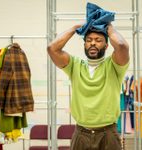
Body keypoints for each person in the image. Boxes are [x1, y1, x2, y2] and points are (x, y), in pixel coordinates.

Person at [47, 21, 129, 149]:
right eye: (89, 40)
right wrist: (75, 28)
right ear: (84, 44)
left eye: (98, 40)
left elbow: (121, 46)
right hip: (81, 133)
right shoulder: (75, 65)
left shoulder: (114, 65)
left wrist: (109, 28)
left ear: (106, 46)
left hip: (108, 134)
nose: (93, 43)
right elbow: (52, 49)